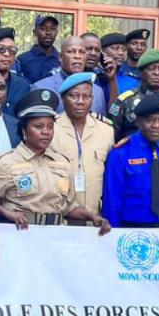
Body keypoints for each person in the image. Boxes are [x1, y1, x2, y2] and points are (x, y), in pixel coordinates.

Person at [0, 89, 109, 232]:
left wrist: (92, 216)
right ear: (24, 130)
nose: (46, 132)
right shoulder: (6, 162)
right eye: (38, 127)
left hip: (56, 235)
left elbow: (68, 207)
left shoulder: (62, 163)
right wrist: (8, 213)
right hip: (20, 234)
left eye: (50, 126)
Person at [102, 93, 159, 229]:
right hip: (131, 230)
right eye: (150, 120)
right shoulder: (121, 153)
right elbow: (112, 201)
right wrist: (113, 234)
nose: (156, 125)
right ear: (138, 121)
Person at [51, 72, 113, 223]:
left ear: (92, 99)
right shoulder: (51, 129)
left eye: (86, 97)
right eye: (74, 96)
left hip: (96, 217)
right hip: (60, 218)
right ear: (63, 98)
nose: (80, 101)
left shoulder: (106, 130)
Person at [109, 49, 159, 140]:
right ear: (141, 72)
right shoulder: (122, 100)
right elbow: (110, 129)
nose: (157, 73)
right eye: (151, 69)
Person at [33, 36, 106, 116]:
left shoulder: (98, 91)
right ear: (60, 57)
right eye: (71, 52)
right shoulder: (41, 88)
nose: (77, 56)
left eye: (82, 52)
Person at [17, 14, 61, 84]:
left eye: (53, 29)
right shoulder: (22, 60)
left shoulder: (62, 59)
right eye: (43, 29)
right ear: (35, 32)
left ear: (57, 32)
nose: (48, 33)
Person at [117, 28, 151, 94]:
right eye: (134, 43)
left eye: (143, 44)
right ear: (126, 46)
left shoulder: (149, 72)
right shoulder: (118, 70)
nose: (139, 48)